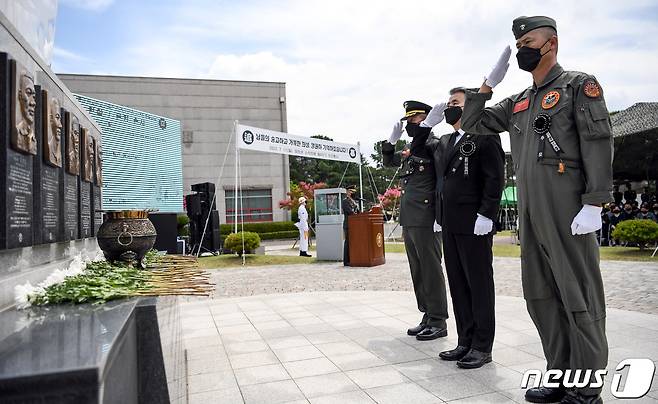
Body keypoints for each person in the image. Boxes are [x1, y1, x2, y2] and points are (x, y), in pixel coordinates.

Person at [460, 16, 613, 403]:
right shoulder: (519, 102)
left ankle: (588, 386)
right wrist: (488, 84)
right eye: (518, 44)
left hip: (568, 210)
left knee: (578, 295)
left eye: (528, 41)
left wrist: (595, 201)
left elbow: (597, 141)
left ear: (551, 44)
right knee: (541, 297)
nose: (521, 49)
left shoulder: (578, 86)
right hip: (530, 214)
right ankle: (559, 375)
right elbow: (472, 122)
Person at [428, 87, 504, 369]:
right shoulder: (448, 140)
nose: (450, 107)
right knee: (458, 285)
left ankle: (482, 346)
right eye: (448, 102)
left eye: (455, 103)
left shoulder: (485, 136)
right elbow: (440, 181)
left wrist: (487, 214)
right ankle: (465, 340)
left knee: (479, 285)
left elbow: (495, 178)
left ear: (470, 107)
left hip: (475, 224)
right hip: (450, 222)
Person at [382, 100, 449, 341]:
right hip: (410, 217)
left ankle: (439, 319)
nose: (410, 123)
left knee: (431, 270)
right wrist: (390, 142)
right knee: (418, 270)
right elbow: (389, 162)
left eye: (414, 119)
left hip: (427, 217)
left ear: (427, 118)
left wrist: (439, 215)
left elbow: (441, 180)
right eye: (408, 120)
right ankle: (428, 315)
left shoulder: (434, 144)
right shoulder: (413, 147)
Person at [342, 185, 360, 266]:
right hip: (348, 224)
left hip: (355, 225)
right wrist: (355, 212)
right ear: (347, 192)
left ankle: (353, 258)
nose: (352, 193)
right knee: (348, 242)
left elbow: (358, 212)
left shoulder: (355, 201)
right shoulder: (345, 201)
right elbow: (350, 212)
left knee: (353, 242)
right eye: (351, 191)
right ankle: (346, 261)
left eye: (353, 192)